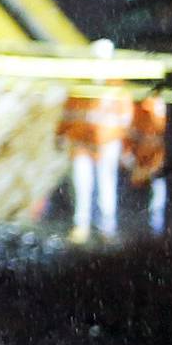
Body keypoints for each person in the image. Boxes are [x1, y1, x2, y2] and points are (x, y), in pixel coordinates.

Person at [58, 62, 133, 242]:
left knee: (106, 185)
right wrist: (60, 134)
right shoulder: (81, 86)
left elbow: (125, 122)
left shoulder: (118, 89)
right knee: (81, 184)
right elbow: (67, 113)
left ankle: (106, 228)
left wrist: (114, 141)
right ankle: (81, 225)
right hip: (81, 144)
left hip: (106, 144)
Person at [127, 91, 167, 234]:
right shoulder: (137, 108)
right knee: (143, 191)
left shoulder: (155, 107)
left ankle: (156, 228)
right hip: (140, 159)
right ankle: (142, 228)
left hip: (155, 158)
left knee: (157, 190)